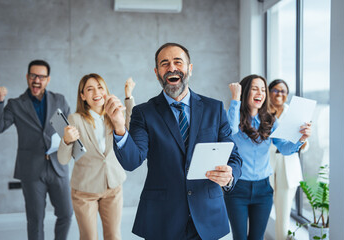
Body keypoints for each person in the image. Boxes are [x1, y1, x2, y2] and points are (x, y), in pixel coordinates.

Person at [103, 42, 243, 240]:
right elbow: (132, 161)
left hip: (206, 216)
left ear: (190, 69)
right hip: (162, 218)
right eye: (164, 64)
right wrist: (118, 126)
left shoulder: (215, 109)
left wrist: (229, 176)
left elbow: (234, 157)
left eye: (178, 62)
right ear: (157, 72)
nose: (171, 68)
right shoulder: (144, 113)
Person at [224, 74, 312, 240]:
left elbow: (285, 149)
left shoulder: (270, 120)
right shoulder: (233, 117)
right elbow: (230, 131)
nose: (261, 93)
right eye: (255, 88)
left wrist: (301, 139)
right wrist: (235, 98)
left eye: (263, 89)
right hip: (237, 189)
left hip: (263, 189)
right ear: (245, 91)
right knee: (240, 238)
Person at [0, 60, 73, 240]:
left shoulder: (58, 100)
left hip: (57, 166)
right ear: (27, 77)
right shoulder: (15, 104)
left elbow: (66, 131)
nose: (36, 80)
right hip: (31, 170)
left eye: (41, 76)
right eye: (33, 75)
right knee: (35, 219)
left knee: (66, 214)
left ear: (48, 79)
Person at [57, 74, 135, 240]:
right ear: (83, 96)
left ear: (105, 91)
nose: (96, 92)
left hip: (112, 187)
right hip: (85, 191)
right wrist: (66, 140)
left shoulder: (113, 115)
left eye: (100, 87)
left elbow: (130, 130)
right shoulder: (75, 119)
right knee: (89, 237)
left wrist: (128, 97)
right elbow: (63, 160)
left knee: (114, 236)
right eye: (89, 89)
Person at [268, 79, 308, 240]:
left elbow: (305, 145)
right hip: (266, 164)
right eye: (276, 90)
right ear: (269, 92)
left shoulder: (294, 114)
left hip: (287, 165)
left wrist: (303, 138)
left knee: (283, 214)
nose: (280, 94)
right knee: (260, 211)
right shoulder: (261, 112)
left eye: (283, 91)